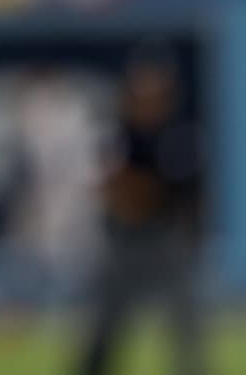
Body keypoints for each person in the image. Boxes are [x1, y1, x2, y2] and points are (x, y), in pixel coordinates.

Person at [76, 44, 205, 375]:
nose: (147, 95)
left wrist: (133, 187)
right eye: (142, 85)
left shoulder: (178, 133)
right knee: (105, 327)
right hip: (125, 242)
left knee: (185, 324)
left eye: (155, 86)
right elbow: (104, 188)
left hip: (166, 240)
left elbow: (168, 193)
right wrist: (130, 189)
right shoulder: (119, 132)